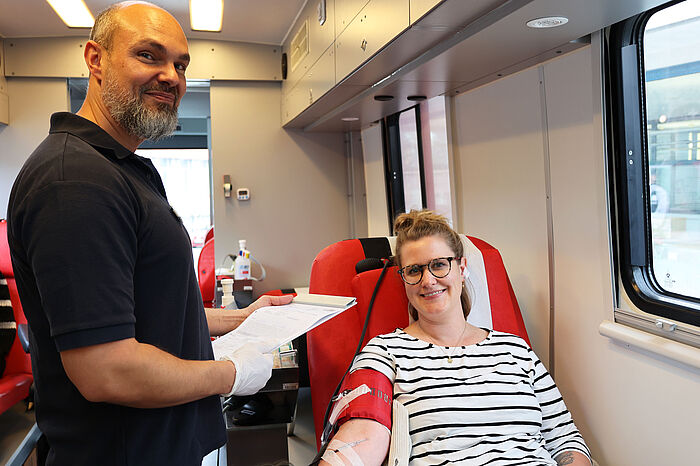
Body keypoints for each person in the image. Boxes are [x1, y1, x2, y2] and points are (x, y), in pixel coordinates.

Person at [6, 2, 291, 465]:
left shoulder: (119, 169)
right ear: (95, 60)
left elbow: (147, 309)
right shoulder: (73, 181)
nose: (172, 77)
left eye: (180, 64)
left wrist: (241, 319)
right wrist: (232, 374)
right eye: (149, 56)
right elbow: (108, 371)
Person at [320, 210, 592, 465]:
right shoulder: (385, 352)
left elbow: (566, 440)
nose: (427, 281)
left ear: (461, 268)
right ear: (403, 279)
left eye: (439, 264)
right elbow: (362, 436)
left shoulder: (515, 349)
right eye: (414, 270)